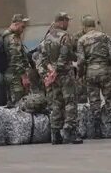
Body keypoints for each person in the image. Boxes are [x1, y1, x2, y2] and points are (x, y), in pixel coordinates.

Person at [35, 12, 82, 145]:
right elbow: (65, 54)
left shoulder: (47, 37)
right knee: (70, 101)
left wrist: (50, 71)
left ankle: (55, 134)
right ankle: (70, 131)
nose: (68, 24)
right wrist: (59, 69)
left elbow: (43, 57)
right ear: (61, 22)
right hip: (65, 74)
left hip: (52, 76)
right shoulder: (64, 36)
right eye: (67, 21)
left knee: (56, 102)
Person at [76, 15, 111, 138]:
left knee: (94, 102)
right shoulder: (105, 37)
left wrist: (81, 74)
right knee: (109, 99)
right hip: (105, 71)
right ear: (94, 25)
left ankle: (97, 131)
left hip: (91, 73)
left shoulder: (82, 40)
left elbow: (81, 60)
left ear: (84, 26)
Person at [2, 14, 32, 107]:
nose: (23, 29)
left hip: (8, 75)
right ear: (16, 24)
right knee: (19, 105)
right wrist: (24, 77)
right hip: (15, 76)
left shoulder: (5, 35)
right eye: (22, 26)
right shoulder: (13, 38)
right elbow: (16, 59)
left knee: (11, 103)